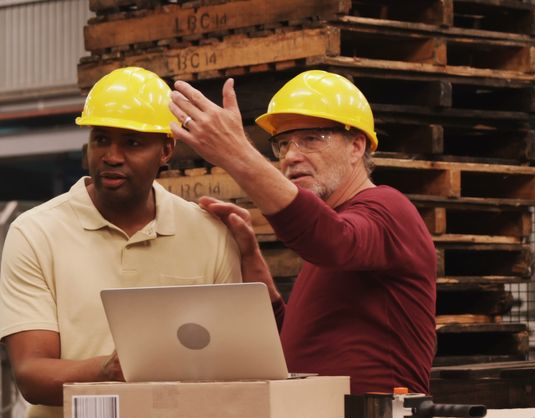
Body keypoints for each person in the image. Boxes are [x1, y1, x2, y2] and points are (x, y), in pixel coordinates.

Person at [0, 66, 240, 418]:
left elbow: (235, 365)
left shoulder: (207, 235)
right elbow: (32, 374)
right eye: (101, 139)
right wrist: (108, 372)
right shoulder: (36, 233)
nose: (112, 155)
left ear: (166, 150)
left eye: (133, 142)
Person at [168, 69, 437, 396]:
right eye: (283, 144)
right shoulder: (333, 235)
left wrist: (235, 153)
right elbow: (292, 348)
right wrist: (252, 261)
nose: (291, 156)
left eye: (311, 139)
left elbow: (333, 241)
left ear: (356, 146)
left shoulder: (387, 209)